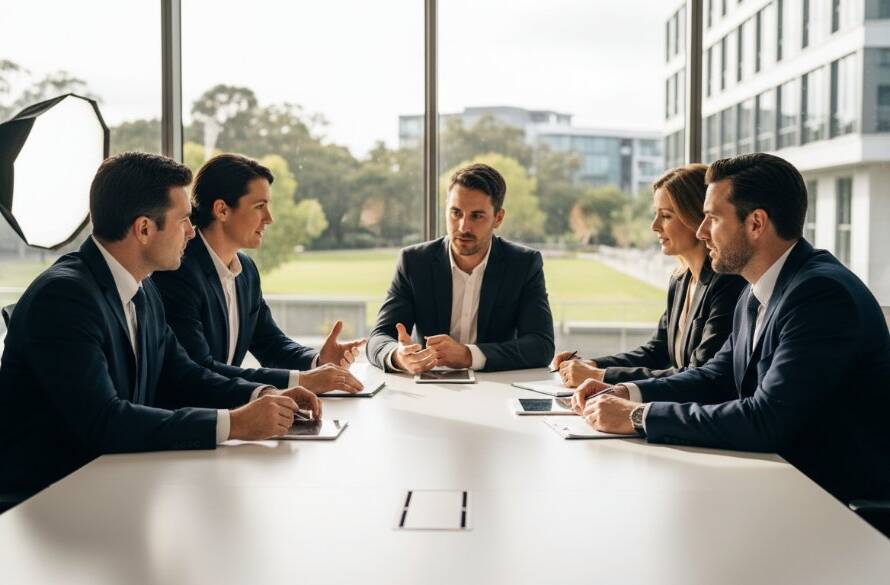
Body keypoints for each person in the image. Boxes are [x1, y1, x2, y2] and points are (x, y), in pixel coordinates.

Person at [572, 153, 890, 503]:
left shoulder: (821, 295)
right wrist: (628, 391)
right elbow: (715, 377)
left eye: (712, 218)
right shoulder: (756, 290)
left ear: (756, 223)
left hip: (834, 505)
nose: (701, 231)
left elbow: (766, 420)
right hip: (779, 482)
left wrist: (637, 416)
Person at [0, 152, 321, 494]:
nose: (191, 233)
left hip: (113, 481)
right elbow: (104, 421)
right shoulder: (64, 297)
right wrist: (234, 424)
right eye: (183, 220)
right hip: (47, 500)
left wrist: (265, 394)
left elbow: (183, 375)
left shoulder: (144, 288)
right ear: (144, 229)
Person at [152, 154, 365, 395]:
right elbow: (201, 369)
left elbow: (270, 343)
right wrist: (302, 381)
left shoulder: (246, 270)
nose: (269, 218)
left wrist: (317, 361)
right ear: (222, 210)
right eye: (259, 206)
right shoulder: (178, 271)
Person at [551, 164, 746, 387]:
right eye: (656, 214)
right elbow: (657, 350)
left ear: (696, 217)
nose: (654, 226)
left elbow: (697, 373)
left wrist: (601, 377)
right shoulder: (681, 279)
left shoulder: (728, 283)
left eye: (666, 216)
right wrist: (592, 364)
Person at [366, 163, 554, 373]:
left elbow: (541, 346)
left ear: (498, 218)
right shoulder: (414, 262)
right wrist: (397, 356)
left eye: (477, 216)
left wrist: (468, 355)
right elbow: (378, 338)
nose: (463, 227)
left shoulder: (523, 264)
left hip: (495, 390)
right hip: (429, 391)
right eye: (456, 213)